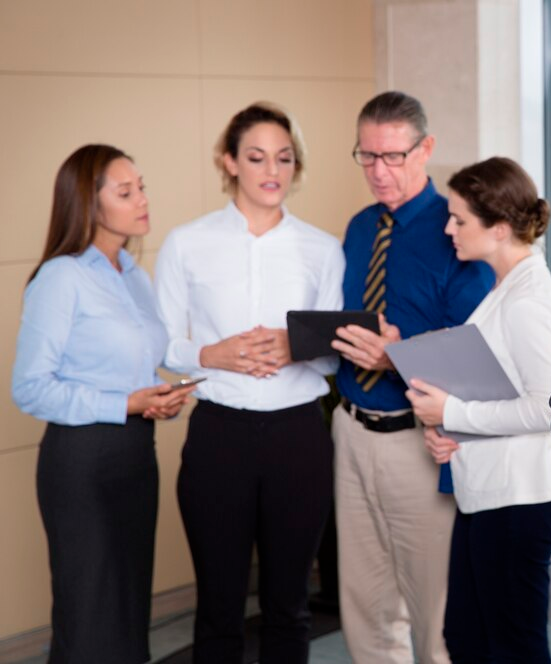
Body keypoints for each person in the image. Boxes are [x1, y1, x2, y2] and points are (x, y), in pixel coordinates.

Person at [155, 102, 344, 663]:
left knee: (290, 606)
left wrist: (296, 348)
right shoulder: (185, 243)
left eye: (284, 158)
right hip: (219, 435)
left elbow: (335, 359)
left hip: (298, 438)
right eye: (257, 156)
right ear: (228, 161)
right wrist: (211, 353)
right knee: (219, 605)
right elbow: (160, 347)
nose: (272, 170)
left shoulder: (322, 249)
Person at [12, 144, 196, 662]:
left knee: (129, 609)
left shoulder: (134, 276)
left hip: (136, 458)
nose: (142, 199)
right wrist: (127, 402)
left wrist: (162, 397)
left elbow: (139, 367)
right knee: (89, 613)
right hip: (82, 464)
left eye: (142, 187)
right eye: (126, 191)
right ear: (90, 205)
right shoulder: (61, 277)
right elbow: (30, 387)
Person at [329, 91, 494, 664]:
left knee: (434, 615)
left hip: (419, 441)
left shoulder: (457, 230)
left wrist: (398, 358)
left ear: (426, 149)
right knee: (365, 608)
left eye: (393, 156)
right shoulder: (357, 228)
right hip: (350, 431)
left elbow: (476, 359)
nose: (378, 171)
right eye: (367, 156)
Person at [405, 156, 551, 663]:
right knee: (468, 639)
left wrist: (453, 414)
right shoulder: (504, 287)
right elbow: (498, 393)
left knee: (512, 648)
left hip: (519, 501)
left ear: (498, 229)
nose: (448, 229)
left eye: (459, 220)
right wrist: (451, 429)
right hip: (490, 496)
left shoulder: (526, 301)